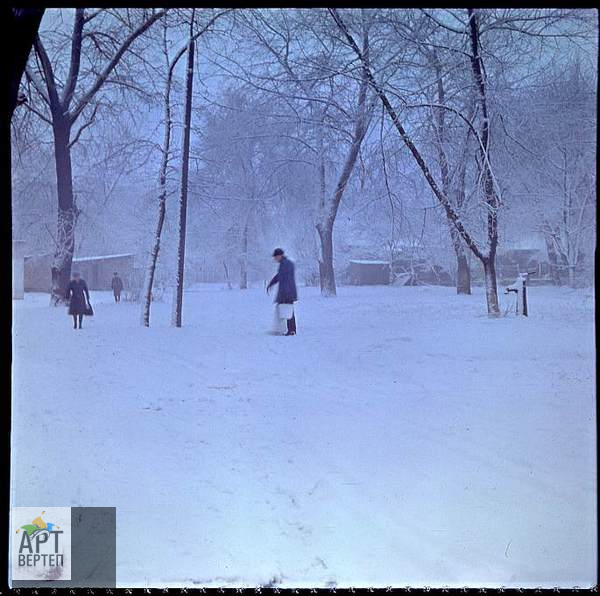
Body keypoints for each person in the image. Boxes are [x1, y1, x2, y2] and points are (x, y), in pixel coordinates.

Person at [267, 248, 298, 336]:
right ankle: (289, 329)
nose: (275, 259)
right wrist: (271, 283)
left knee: (288, 310)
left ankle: (291, 330)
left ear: (279, 256)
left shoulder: (286, 264)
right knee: (286, 310)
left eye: (275, 257)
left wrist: (285, 294)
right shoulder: (285, 264)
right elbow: (279, 276)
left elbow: (284, 279)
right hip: (287, 292)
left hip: (287, 292)